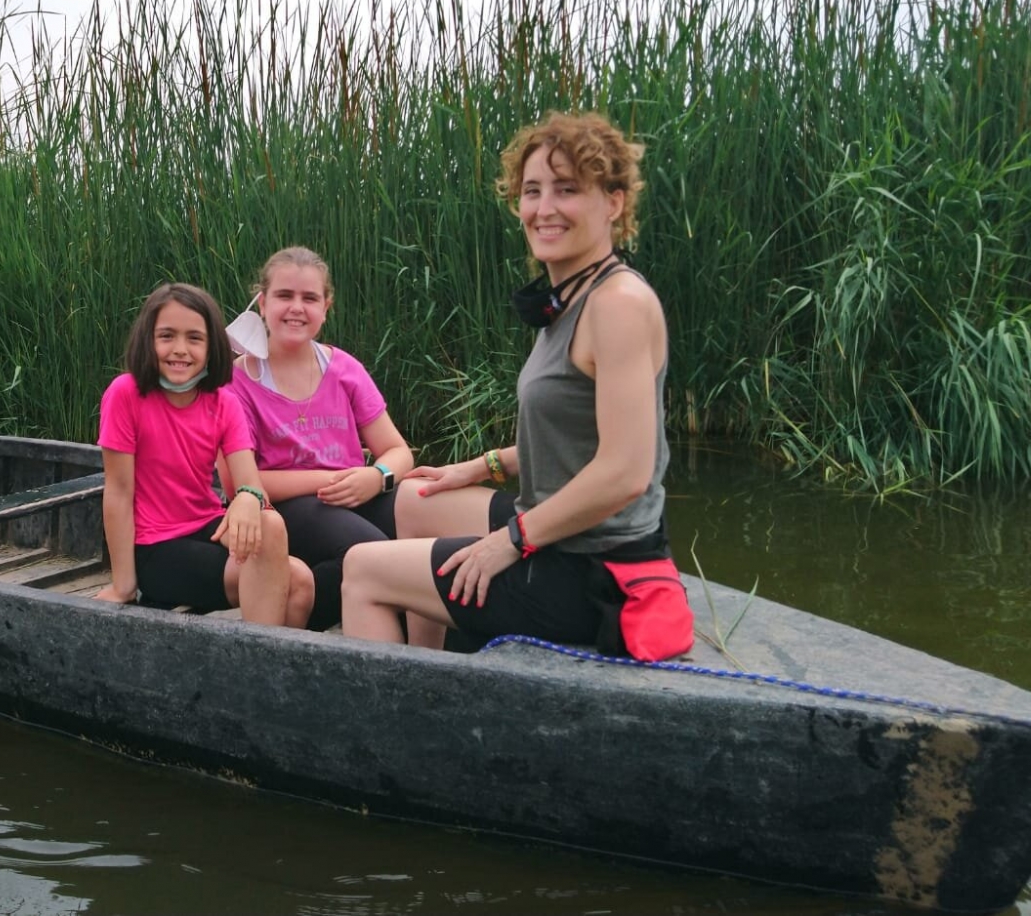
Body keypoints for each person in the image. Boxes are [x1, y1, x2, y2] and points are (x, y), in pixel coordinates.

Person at [340, 112, 691, 661]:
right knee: (416, 498)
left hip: (595, 571)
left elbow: (625, 471)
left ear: (614, 203)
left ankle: (398, 727)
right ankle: (436, 669)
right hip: (557, 531)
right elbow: (578, 439)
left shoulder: (619, 304)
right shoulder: (569, 297)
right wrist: (480, 468)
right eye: (532, 190)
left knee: (362, 569)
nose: (544, 207)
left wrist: (509, 541)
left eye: (567, 189)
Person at [93, 283, 314, 628]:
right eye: (167, 336)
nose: (180, 349)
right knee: (294, 579)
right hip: (155, 545)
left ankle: (267, 670)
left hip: (206, 525)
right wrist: (124, 584)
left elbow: (250, 484)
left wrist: (247, 497)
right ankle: (263, 668)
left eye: (194, 338)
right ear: (147, 340)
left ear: (211, 346)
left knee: (286, 553)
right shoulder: (126, 394)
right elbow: (119, 492)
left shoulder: (223, 401)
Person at [227, 247, 414, 631]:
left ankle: (311, 613)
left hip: (356, 492)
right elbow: (240, 485)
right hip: (287, 508)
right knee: (379, 554)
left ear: (325, 307)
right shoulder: (237, 382)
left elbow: (398, 452)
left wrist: (375, 477)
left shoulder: (344, 368)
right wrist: (334, 478)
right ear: (262, 303)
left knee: (423, 525)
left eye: (309, 298)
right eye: (284, 296)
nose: (297, 307)